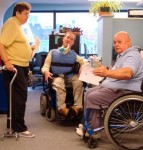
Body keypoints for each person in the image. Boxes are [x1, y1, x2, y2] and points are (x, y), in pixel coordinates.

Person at [76, 31, 143, 137]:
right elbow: (118, 70)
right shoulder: (122, 55)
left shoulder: (132, 56)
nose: (116, 44)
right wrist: (105, 70)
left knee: (92, 97)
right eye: (114, 42)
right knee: (88, 92)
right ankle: (87, 123)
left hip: (124, 91)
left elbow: (128, 73)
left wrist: (107, 72)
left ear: (128, 42)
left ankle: (94, 130)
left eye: (119, 42)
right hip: (117, 87)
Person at [0, 2, 39, 138]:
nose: (28, 17)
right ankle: (20, 128)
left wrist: (32, 49)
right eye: (25, 14)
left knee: (17, 97)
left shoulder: (18, 26)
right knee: (19, 98)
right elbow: (1, 44)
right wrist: (7, 62)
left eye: (29, 14)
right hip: (14, 67)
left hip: (21, 65)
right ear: (17, 12)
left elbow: (17, 47)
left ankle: (14, 125)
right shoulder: (12, 23)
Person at [41, 31, 88, 117]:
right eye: (67, 37)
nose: (69, 40)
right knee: (59, 82)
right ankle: (61, 108)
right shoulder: (53, 52)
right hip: (57, 77)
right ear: (63, 39)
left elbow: (85, 62)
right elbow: (45, 66)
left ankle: (77, 107)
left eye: (71, 39)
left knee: (78, 81)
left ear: (73, 43)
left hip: (70, 77)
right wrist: (46, 71)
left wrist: (83, 66)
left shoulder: (74, 55)